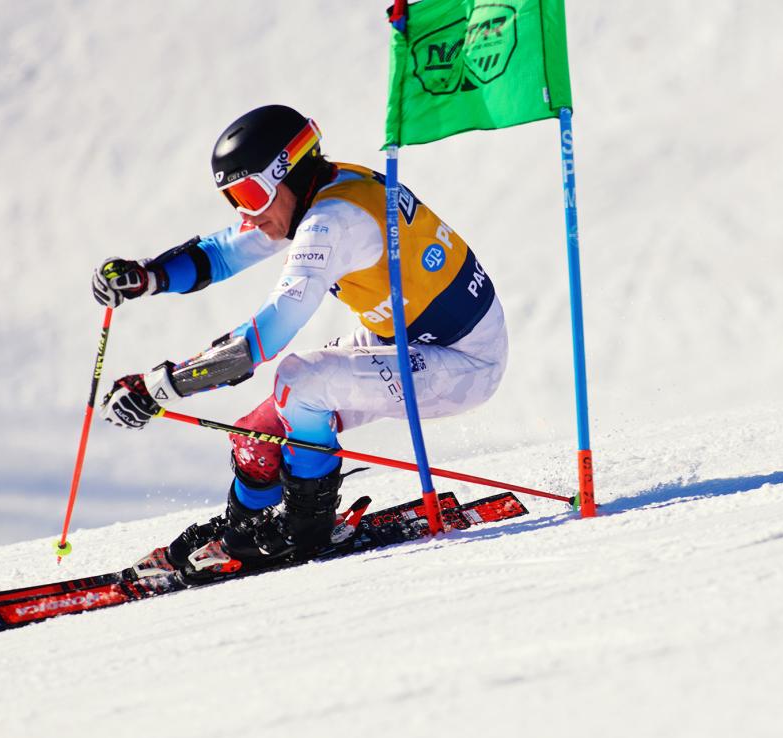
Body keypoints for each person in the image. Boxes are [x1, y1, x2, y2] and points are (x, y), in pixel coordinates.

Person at [93, 104, 508, 582]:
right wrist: (147, 277)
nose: (246, 213)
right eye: (233, 199)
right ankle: (242, 527)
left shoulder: (332, 221)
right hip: (403, 336)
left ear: (286, 172)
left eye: (250, 193)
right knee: (258, 433)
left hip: (462, 360)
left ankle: (303, 529)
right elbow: (225, 251)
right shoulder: (315, 194)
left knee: (299, 382)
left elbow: (269, 334)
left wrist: (160, 388)